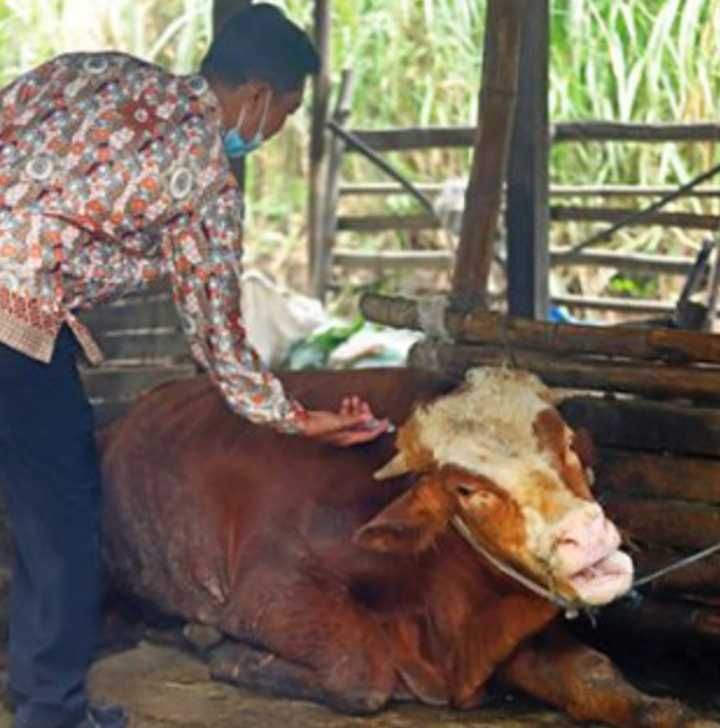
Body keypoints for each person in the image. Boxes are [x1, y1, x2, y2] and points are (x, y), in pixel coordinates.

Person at [0, 5, 389, 727]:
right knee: (62, 515)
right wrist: (300, 419)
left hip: (21, 315)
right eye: (287, 113)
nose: (274, 132)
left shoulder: (100, 73)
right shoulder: (207, 178)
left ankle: (39, 692)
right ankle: (50, 709)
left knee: (37, 506)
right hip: (13, 320)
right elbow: (218, 340)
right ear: (257, 96)